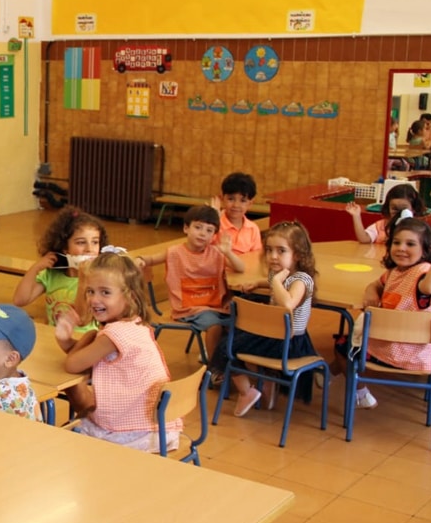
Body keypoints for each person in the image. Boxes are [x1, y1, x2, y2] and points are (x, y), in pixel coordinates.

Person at [60, 252, 179, 452]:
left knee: (64, 434)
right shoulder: (136, 325)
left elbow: (72, 365)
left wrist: (83, 336)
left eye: (105, 292)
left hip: (134, 434)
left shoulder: (114, 334)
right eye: (90, 291)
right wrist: (66, 341)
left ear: (130, 296)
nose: (94, 299)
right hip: (160, 427)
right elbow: (85, 358)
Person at [355, 217, 431, 409]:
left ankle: (357, 391)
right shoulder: (394, 272)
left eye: (410, 244)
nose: (401, 248)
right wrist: (371, 291)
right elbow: (376, 283)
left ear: (425, 249)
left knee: (346, 346)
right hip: (409, 353)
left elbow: (430, 286)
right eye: (396, 242)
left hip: (409, 354)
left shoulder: (423, 271)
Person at [135, 205, 245, 378]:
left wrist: (228, 253)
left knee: (240, 320)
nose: (203, 233)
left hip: (214, 304)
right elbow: (151, 259)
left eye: (209, 230)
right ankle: (214, 370)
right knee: (215, 326)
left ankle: (229, 366)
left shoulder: (216, 253)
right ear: (186, 228)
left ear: (214, 235)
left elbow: (240, 268)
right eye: (198, 227)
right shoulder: (175, 252)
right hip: (188, 307)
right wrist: (141, 260)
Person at [228, 221, 320, 415]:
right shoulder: (277, 276)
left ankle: (250, 390)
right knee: (226, 343)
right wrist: (257, 282)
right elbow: (270, 282)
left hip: (292, 343)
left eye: (281, 251)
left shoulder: (302, 279)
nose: (273, 256)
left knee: (228, 347)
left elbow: (288, 303)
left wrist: (276, 281)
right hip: (273, 339)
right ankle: (259, 386)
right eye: (269, 250)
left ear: (298, 254)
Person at [11, 206, 107, 350]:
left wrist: (83, 277)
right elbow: (20, 300)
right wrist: (35, 268)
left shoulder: (100, 280)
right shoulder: (52, 275)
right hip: (54, 341)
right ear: (65, 249)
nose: (89, 249)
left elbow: (81, 319)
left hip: (85, 344)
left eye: (95, 242)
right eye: (81, 242)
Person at [346, 183, 424, 244]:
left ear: (414, 208)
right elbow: (364, 239)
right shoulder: (381, 226)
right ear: (388, 207)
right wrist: (356, 216)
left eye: (403, 209)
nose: (399, 212)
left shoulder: (419, 228)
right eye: (394, 208)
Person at [211, 172, 262, 255]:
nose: (236, 205)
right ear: (222, 199)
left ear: (250, 204)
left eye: (243, 201)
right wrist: (213, 220)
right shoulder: (214, 224)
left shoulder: (253, 229)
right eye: (231, 199)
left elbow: (255, 257)